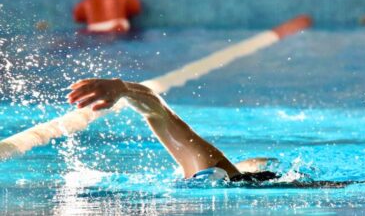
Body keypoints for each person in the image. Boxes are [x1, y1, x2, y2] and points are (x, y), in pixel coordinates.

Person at [67, 78, 279, 181]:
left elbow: (158, 113)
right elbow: (159, 112)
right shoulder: (211, 169)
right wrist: (122, 89)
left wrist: (124, 90)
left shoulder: (208, 171)